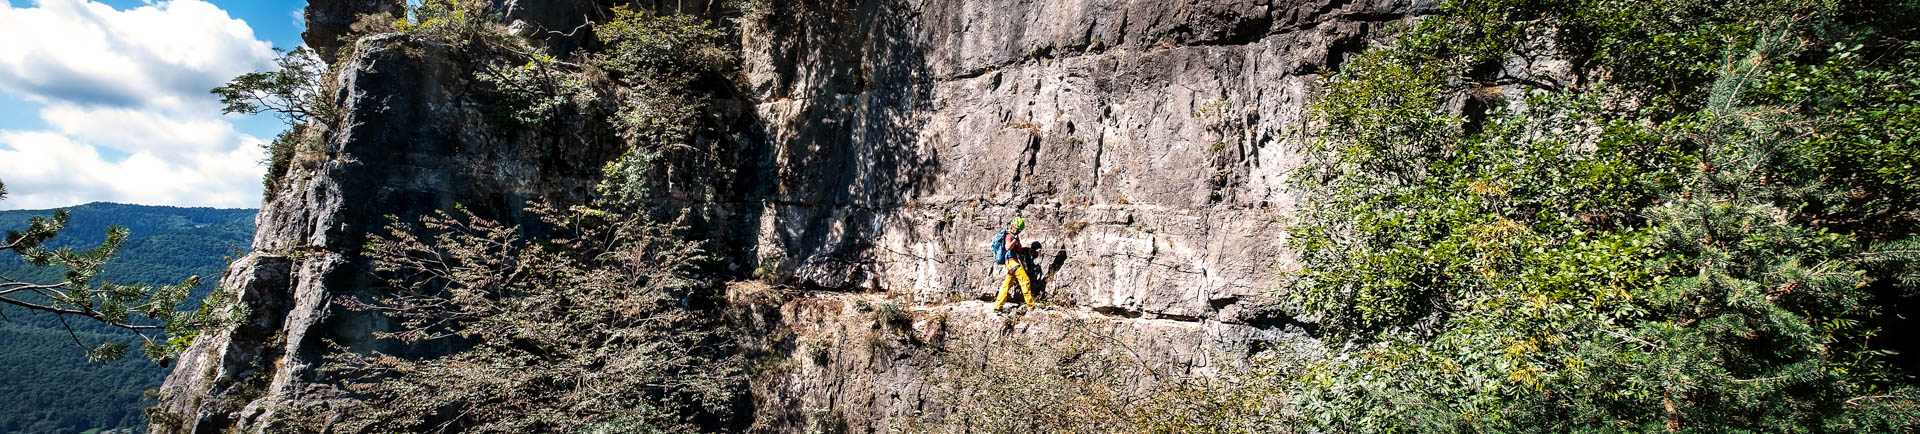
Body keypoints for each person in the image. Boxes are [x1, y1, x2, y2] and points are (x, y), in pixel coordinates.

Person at [993, 217, 1037, 310]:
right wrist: (1015, 240)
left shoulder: (1014, 236)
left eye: (1019, 231)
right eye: (1018, 230)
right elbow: (1007, 247)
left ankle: (998, 306)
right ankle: (1031, 306)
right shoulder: (1009, 236)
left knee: (1007, 284)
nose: (1018, 232)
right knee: (1025, 280)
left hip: (1012, 262)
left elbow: (1019, 250)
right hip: (1012, 261)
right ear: (1014, 227)